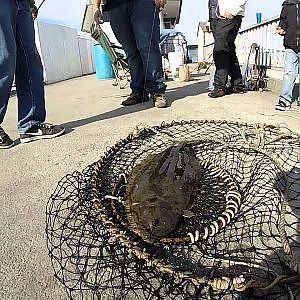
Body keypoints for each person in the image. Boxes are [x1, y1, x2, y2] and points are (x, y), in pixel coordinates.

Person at [0, 0, 65, 149]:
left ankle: (31, 124)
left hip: (23, 4)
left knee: (30, 62)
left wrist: (30, 3)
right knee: (4, 57)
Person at [93, 0, 168, 108]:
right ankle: (138, 91)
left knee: (148, 46)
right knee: (130, 50)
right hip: (115, 5)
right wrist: (96, 7)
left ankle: (157, 90)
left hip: (143, 3)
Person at [208, 0, 247, 98]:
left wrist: (233, 11)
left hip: (228, 15)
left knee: (220, 50)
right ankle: (237, 84)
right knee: (228, 49)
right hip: (215, 17)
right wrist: (210, 20)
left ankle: (220, 86)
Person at [275, 0, 300, 111]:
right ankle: (284, 100)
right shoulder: (287, 4)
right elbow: (283, 20)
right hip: (291, 43)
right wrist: (281, 28)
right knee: (289, 73)